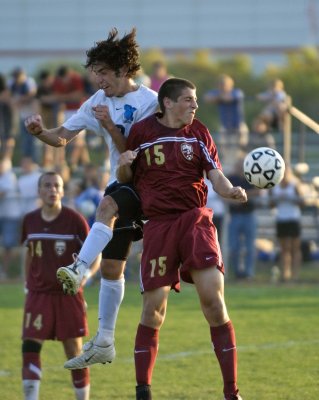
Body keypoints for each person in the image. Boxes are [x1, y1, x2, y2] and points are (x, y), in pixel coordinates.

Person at [24, 27, 158, 369]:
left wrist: (112, 128)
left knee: (107, 204)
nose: (97, 80)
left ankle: (79, 267)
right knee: (113, 267)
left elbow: (140, 154)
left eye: (102, 72)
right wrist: (41, 133)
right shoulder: (97, 101)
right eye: (94, 73)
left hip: (147, 185)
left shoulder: (149, 103)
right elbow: (62, 138)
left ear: (122, 70)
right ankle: (105, 341)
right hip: (123, 183)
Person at [117, 78, 246, 400]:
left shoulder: (199, 132)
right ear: (168, 103)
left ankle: (232, 392)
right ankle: (143, 391)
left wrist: (229, 190)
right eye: (188, 99)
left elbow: (215, 174)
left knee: (214, 303)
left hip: (194, 220)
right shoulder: (143, 132)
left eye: (196, 99)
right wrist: (122, 167)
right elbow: (127, 178)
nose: (195, 105)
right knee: (153, 311)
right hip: (159, 225)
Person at [21, 171, 100, 400]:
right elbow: (28, 253)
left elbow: (96, 254)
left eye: (57, 186)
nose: (52, 189)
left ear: (63, 191)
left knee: (74, 354)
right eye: (47, 185)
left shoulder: (75, 221)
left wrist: (86, 276)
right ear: (39, 191)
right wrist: (28, 283)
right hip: (38, 295)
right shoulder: (30, 220)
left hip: (68, 296)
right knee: (30, 349)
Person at [203, 74, 248, 170]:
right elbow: (207, 98)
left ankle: (241, 167)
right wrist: (219, 96)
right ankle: (229, 169)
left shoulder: (237, 92)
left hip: (238, 125)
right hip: (225, 126)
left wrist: (218, 97)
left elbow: (229, 98)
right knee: (225, 150)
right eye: (221, 84)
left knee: (241, 148)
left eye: (225, 84)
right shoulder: (219, 93)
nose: (223, 86)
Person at [226, 156, 261, 280]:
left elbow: (258, 191)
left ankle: (249, 273)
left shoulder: (251, 177)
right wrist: (234, 200)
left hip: (249, 214)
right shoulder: (230, 178)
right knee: (234, 246)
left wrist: (242, 194)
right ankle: (237, 272)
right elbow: (224, 194)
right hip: (234, 215)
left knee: (250, 246)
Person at [269, 165, 304, 281]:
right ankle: (285, 274)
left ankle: (295, 275)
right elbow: (271, 204)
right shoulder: (275, 186)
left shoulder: (295, 185)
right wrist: (278, 199)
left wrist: (291, 198)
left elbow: (302, 202)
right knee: (284, 249)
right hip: (281, 219)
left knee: (295, 248)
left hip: (293, 219)